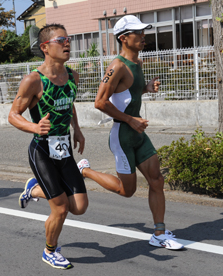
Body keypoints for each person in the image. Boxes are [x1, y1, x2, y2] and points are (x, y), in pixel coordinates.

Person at [79, 15, 183, 250]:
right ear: (124, 38)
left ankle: (158, 232)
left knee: (157, 180)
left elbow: (128, 95)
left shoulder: (138, 63)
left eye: (143, 31)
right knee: (127, 191)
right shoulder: (116, 66)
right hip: (122, 136)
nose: (143, 36)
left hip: (137, 133)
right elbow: (99, 102)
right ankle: (84, 170)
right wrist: (129, 120)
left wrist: (145, 89)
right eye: (138, 32)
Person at [8, 24, 87, 270]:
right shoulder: (34, 80)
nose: (67, 44)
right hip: (42, 149)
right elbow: (13, 114)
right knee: (61, 209)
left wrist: (77, 129)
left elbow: (69, 103)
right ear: (45, 47)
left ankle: (32, 190)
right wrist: (34, 128)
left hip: (64, 148)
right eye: (61, 39)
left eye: (68, 39)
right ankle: (49, 251)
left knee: (80, 207)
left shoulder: (72, 76)